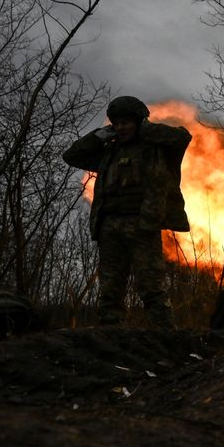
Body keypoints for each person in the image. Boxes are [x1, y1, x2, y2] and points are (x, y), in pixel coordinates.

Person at [63, 96, 191, 329]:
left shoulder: (155, 149)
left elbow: (182, 137)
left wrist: (146, 130)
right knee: (110, 287)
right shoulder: (108, 152)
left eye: (126, 123)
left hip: (143, 225)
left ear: (138, 122)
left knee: (151, 284)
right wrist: (99, 136)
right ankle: (111, 333)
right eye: (117, 123)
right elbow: (71, 156)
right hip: (109, 226)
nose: (121, 127)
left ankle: (165, 334)